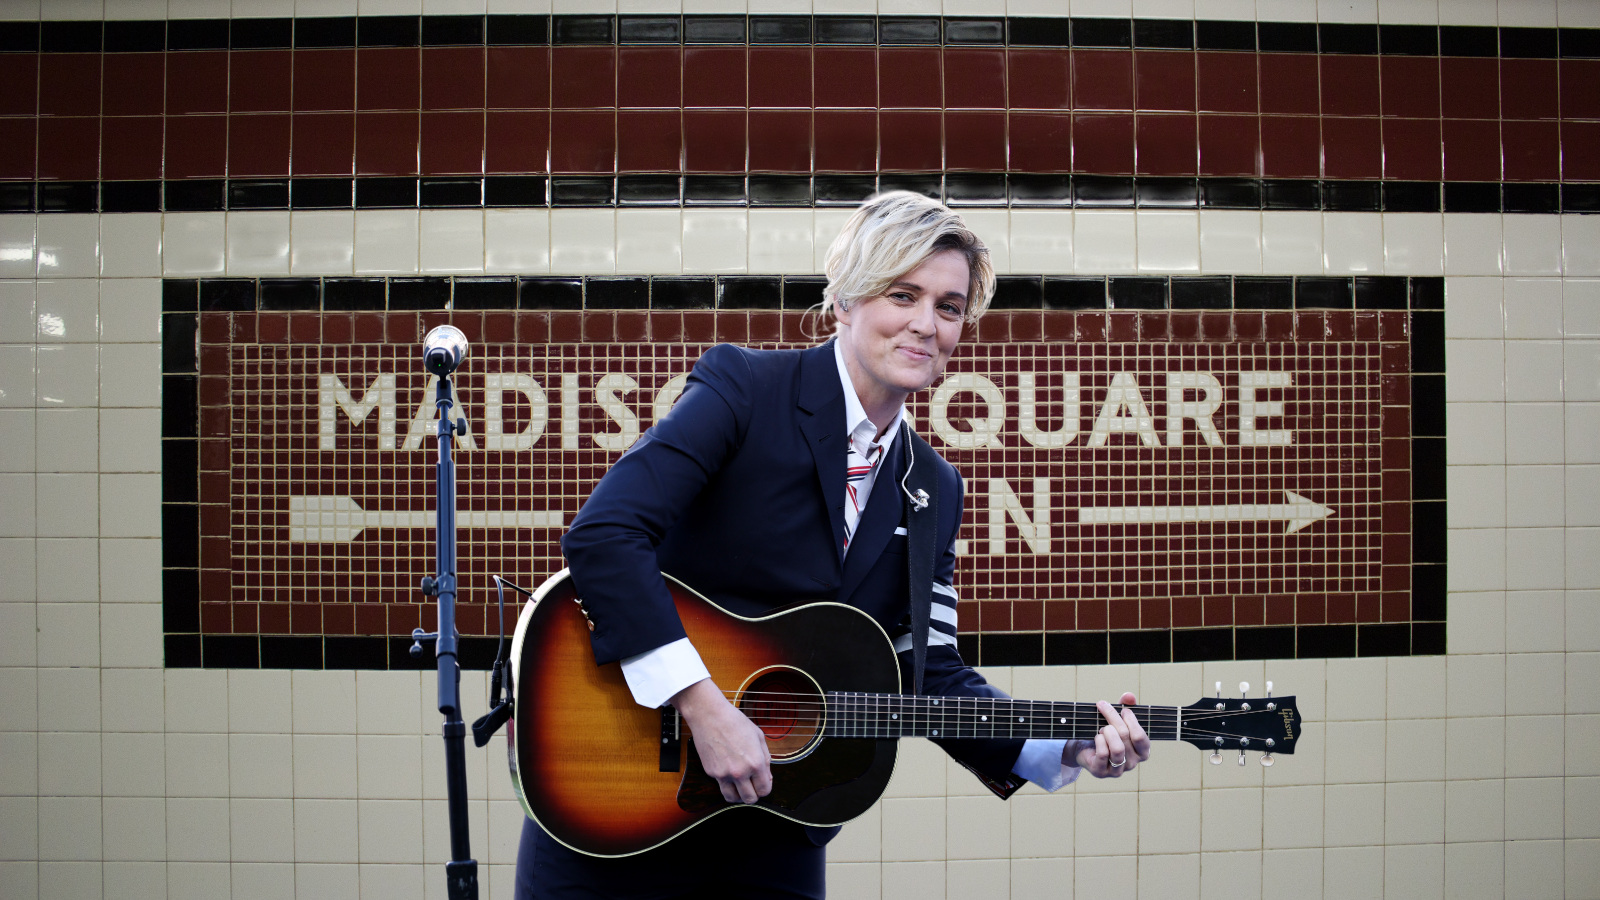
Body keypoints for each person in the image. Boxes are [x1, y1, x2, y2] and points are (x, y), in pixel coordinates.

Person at [515, 191, 1151, 899]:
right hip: (613, 805)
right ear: (845, 299)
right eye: (902, 294)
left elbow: (927, 671)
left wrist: (1063, 746)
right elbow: (606, 534)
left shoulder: (934, 487)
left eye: (948, 307)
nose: (925, 324)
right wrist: (702, 704)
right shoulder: (744, 390)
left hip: (779, 831)